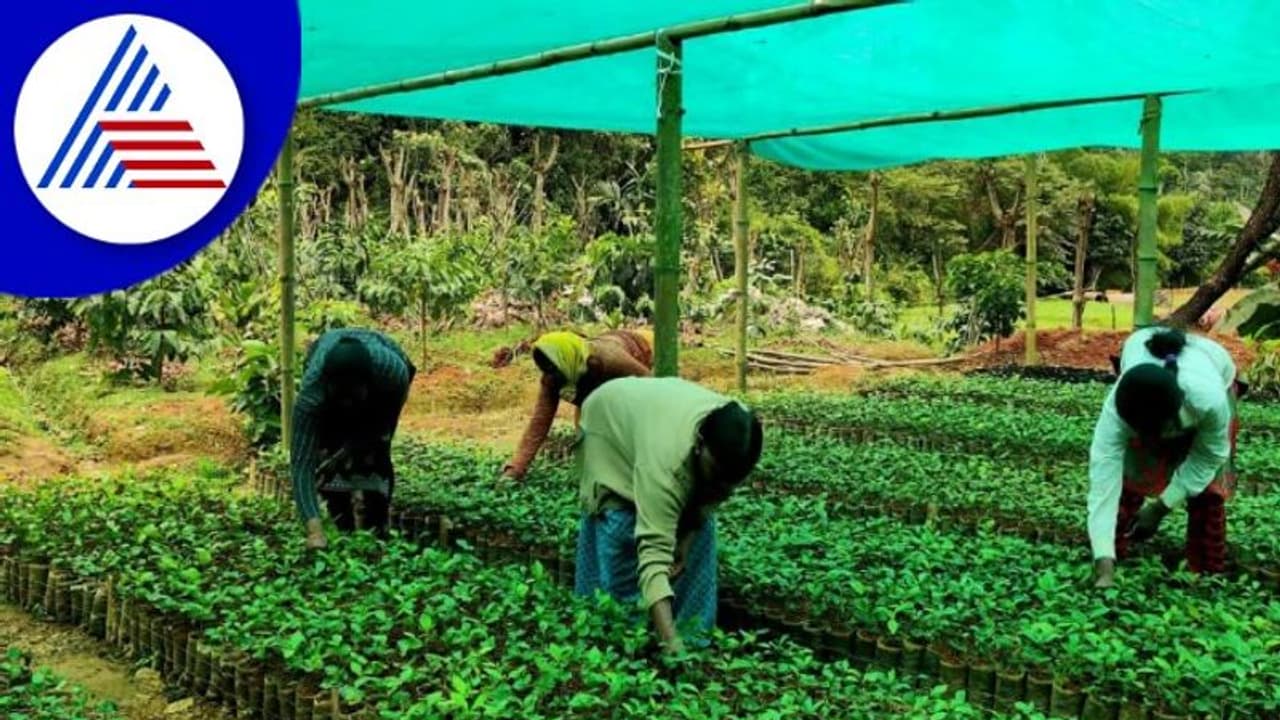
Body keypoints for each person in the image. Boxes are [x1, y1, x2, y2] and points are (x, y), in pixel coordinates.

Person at [573, 377, 763, 653]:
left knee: (699, 539)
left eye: (730, 481)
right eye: (716, 474)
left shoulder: (741, 439)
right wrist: (670, 641)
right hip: (609, 420)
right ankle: (625, 639)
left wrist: (684, 545)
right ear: (699, 445)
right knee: (621, 527)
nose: (723, 486)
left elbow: (709, 499)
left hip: (655, 415)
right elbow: (653, 557)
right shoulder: (665, 467)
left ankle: (692, 636)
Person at [1088, 326, 1239, 588]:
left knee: (1208, 490)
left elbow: (1209, 456)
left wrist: (1161, 507)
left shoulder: (1209, 401)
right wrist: (1102, 561)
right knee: (1131, 471)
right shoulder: (1118, 411)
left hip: (1215, 368)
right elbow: (1104, 480)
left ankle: (1207, 570)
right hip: (1146, 364)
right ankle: (1112, 550)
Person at [291, 328, 416, 550]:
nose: (347, 404)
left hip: (386, 375)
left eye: (352, 396)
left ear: (367, 385)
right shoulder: (312, 394)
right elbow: (302, 465)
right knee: (328, 452)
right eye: (341, 396)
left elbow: (381, 428)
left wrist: (351, 450)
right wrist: (314, 531)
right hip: (325, 362)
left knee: (375, 455)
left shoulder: (391, 374)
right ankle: (343, 528)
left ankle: (378, 531)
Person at [502, 329, 652, 479]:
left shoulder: (609, 360)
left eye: (553, 367)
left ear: (565, 358)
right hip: (594, 378)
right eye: (546, 368)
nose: (550, 374)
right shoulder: (553, 377)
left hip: (636, 348)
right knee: (586, 432)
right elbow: (539, 423)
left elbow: (653, 387)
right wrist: (516, 468)